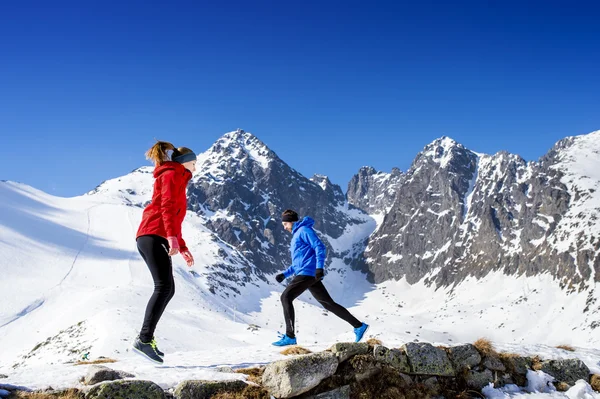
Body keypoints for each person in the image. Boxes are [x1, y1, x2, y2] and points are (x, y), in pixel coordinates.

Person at [132, 140, 197, 363]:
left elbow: (175, 218)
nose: (195, 168)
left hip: (156, 235)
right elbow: (166, 207)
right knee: (163, 287)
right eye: (193, 163)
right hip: (153, 235)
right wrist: (170, 238)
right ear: (184, 163)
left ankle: (146, 339)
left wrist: (183, 245)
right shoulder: (170, 175)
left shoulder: (178, 178)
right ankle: (143, 339)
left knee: (168, 289)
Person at [273, 209, 369, 346]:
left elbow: (320, 247)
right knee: (328, 303)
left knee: (285, 297)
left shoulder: (304, 231)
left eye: (285, 224)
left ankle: (290, 336)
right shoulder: (296, 235)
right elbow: (298, 262)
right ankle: (359, 326)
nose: (284, 227)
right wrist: (285, 274)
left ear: (292, 221)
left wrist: (319, 268)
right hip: (307, 273)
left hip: (307, 274)